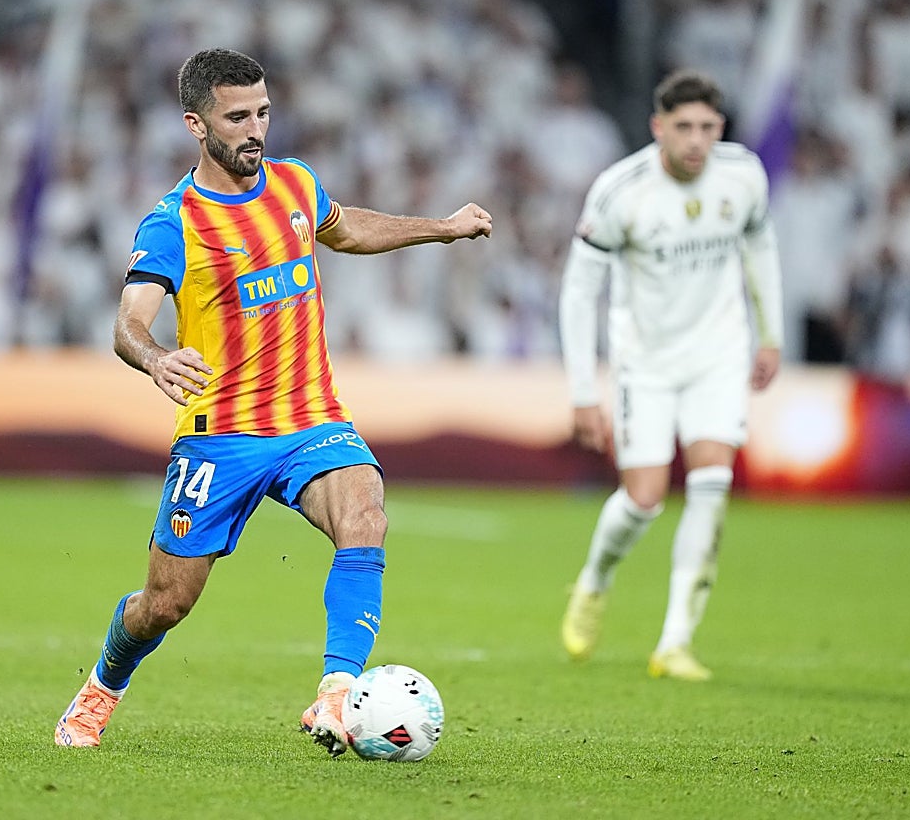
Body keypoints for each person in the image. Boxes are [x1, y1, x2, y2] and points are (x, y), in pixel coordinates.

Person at [54, 48, 492, 754]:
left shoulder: (294, 185)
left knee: (365, 513)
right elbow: (127, 320)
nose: (255, 129)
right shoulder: (176, 221)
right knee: (165, 604)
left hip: (310, 418)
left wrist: (438, 227)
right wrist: (157, 357)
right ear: (196, 125)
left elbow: (345, 229)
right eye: (237, 118)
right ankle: (104, 684)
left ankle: (338, 694)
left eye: (262, 112)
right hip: (219, 437)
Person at [557, 70, 782, 681]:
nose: (696, 141)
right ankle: (595, 579)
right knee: (645, 498)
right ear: (658, 127)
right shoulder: (621, 190)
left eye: (708, 127)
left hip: (719, 355)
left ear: (721, 129)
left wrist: (773, 333)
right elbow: (580, 292)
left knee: (712, 485)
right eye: (683, 127)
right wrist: (583, 392)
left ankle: (676, 641)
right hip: (645, 363)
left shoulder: (744, 175)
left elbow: (761, 248)